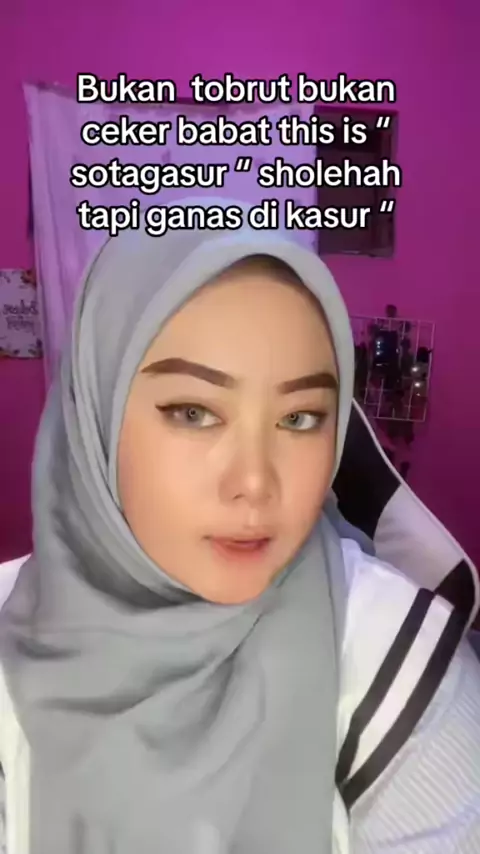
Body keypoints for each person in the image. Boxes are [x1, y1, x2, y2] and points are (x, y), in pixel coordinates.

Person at [0, 201, 479, 854]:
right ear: (97, 419)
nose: (255, 482)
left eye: (299, 418)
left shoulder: (398, 660)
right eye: (194, 412)